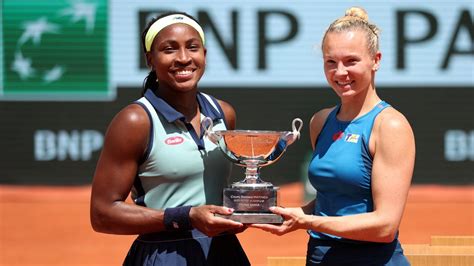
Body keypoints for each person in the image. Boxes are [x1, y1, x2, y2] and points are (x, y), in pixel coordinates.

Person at [251, 7, 416, 266]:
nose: (340, 72)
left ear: (376, 60)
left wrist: (309, 221)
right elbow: (333, 200)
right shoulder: (321, 121)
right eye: (331, 62)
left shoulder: (390, 125)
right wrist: (290, 214)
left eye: (351, 61)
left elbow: (385, 226)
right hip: (320, 257)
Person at [90, 12, 250, 266]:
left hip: (224, 252)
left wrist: (247, 209)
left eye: (192, 47)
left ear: (204, 55)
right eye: (169, 49)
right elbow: (102, 214)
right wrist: (186, 217)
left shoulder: (224, 113)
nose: (184, 58)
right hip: (165, 254)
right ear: (150, 59)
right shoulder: (135, 121)